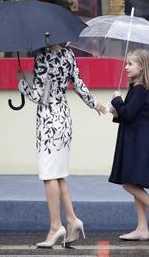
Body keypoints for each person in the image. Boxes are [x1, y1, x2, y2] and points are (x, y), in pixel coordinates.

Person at [18, 44, 106, 247]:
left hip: (48, 122)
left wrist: (22, 82)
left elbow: (39, 96)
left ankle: (55, 227)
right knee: (58, 174)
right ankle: (73, 219)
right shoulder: (69, 54)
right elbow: (78, 83)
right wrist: (94, 104)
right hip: (64, 118)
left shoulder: (42, 56)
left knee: (49, 176)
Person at [108, 49, 149, 241]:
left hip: (138, 143)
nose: (125, 67)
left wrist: (117, 100)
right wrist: (117, 110)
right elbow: (128, 114)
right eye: (126, 63)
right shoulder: (136, 89)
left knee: (128, 183)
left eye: (130, 64)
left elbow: (128, 113)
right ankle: (142, 228)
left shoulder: (141, 89)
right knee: (134, 182)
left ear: (141, 67)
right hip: (134, 140)